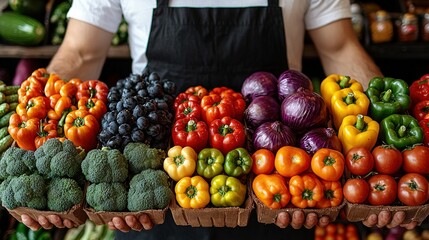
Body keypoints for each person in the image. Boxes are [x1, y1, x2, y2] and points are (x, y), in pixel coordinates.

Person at [19, 0, 418, 239]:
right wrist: (39, 139)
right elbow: (80, 54)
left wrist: (390, 152)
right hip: (156, 185)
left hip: (279, 184)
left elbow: (341, 47)